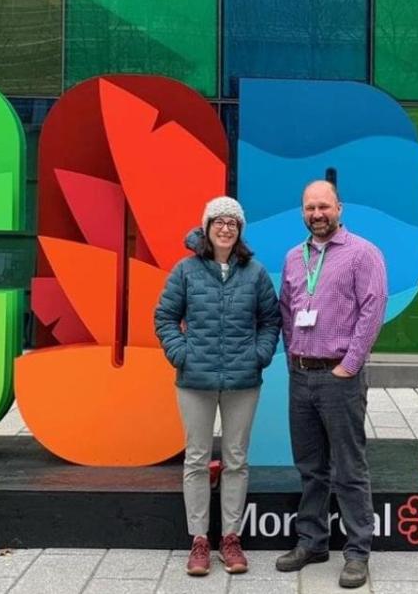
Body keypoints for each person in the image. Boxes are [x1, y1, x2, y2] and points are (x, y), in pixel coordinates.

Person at [155, 196, 281, 576]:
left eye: (232, 222)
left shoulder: (255, 273)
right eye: (218, 221)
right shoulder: (185, 271)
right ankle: (198, 540)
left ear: (239, 231)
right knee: (196, 458)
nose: (225, 228)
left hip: (243, 380)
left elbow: (271, 320)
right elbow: (164, 317)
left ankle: (230, 537)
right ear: (206, 228)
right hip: (195, 380)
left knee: (236, 459)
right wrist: (181, 354)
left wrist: (259, 354)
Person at [274, 180, 388, 589]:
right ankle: (313, 541)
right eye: (309, 208)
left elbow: (373, 310)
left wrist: (350, 365)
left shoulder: (362, 253)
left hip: (341, 376)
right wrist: (292, 358)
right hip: (301, 375)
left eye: (323, 206)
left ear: (339, 208)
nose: (316, 214)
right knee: (311, 467)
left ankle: (357, 552)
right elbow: (288, 311)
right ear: (302, 212)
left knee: (349, 468)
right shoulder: (293, 257)